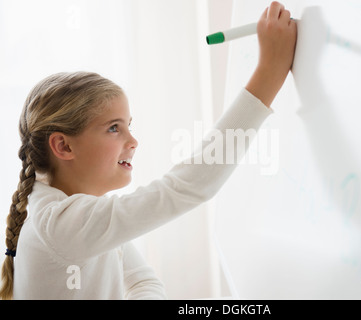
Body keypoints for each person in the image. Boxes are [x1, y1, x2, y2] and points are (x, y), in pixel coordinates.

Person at [0, 1, 296, 299]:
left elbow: (143, 282)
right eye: (114, 128)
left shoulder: (75, 213)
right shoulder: (60, 224)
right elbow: (183, 189)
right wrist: (268, 73)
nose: (133, 141)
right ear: (63, 146)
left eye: (129, 125)